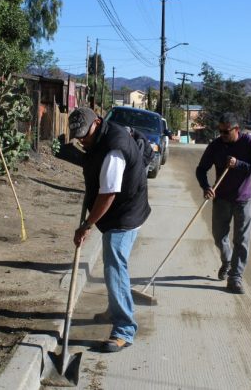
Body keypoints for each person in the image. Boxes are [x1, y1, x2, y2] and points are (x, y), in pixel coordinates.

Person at [67, 107, 151, 352]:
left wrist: (87, 225)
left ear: (98, 123)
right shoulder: (98, 140)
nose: (82, 140)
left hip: (126, 213)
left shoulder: (114, 148)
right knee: (114, 265)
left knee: (114, 265)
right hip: (118, 208)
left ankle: (124, 329)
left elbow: (108, 194)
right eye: (79, 136)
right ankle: (115, 310)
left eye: (85, 134)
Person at [195, 113, 251, 294]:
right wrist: (205, 186)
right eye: (220, 131)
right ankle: (227, 261)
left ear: (236, 129)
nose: (222, 135)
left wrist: (239, 164)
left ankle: (235, 278)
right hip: (221, 199)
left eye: (226, 132)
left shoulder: (248, 143)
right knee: (219, 237)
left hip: (243, 200)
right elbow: (201, 169)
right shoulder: (216, 145)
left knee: (241, 240)